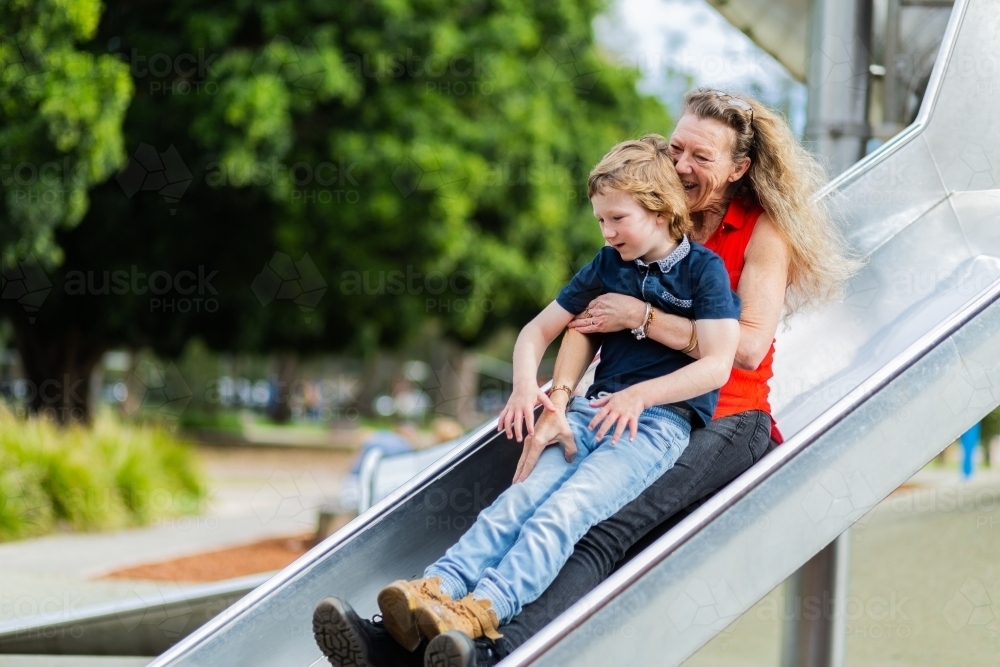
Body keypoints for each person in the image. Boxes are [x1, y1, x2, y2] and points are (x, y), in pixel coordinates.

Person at [312, 88, 856, 667]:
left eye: (702, 157)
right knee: (522, 501)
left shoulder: (760, 232)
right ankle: (402, 641)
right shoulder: (643, 220)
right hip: (617, 404)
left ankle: (496, 651)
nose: (682, 165)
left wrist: (644, 319)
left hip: (724, 416)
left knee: (597, 525)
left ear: (739, 168)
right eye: (676, 149)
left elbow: (744, 348)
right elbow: (586, 321)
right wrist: (557, 401)